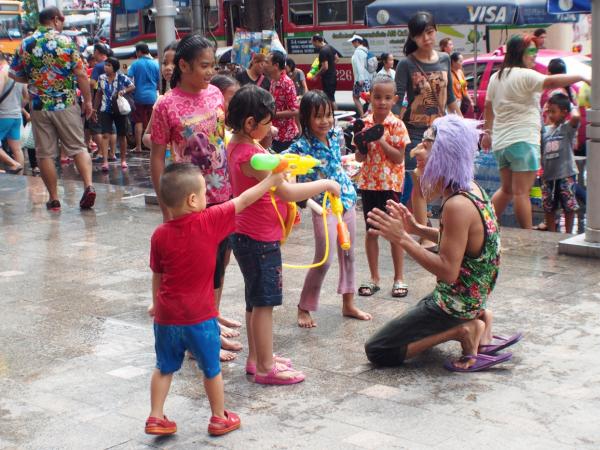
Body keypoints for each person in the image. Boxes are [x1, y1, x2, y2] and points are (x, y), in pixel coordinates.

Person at [365, 115, 520, 372]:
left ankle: (463, 330)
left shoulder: (457, 205)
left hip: (456, 303)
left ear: (444, 156)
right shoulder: (473, 189)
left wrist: (402, 238)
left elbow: (448, 271)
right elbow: (461, 242)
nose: (416, 153)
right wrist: (416, 228)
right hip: (471, 299)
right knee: (414, 320)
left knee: (379, 350)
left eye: (425, 147)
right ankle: (481, 318)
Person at [146, 162, 285, 436]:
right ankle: (219, 417)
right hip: (200, 318)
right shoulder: (208, 221)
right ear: (193, 199)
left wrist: (155, 303)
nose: (207, 199)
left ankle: (155, 416)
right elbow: (243, 200)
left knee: (163, 367)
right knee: (211, 370)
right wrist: (272, 181)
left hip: (167, 320)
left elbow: (157, 275)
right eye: (204, 193)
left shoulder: (159, 234)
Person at [226, 84, 340, 384]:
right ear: (250, 123)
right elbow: (287, 192)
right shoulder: (251, 155)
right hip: (259, 238)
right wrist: (325, 184)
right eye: (267, 122)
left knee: (255, 301)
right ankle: (265, 367)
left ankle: (257, 358)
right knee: (264, 304)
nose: (272, 128)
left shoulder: (239, 145)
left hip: (246, 234)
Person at [150, 35, 242, 361]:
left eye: (212, 65)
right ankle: (199, 338)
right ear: (184, 66)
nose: (210, 72)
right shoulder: (166, 105)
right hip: (189, 200)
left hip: (222, 192)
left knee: (218, 264)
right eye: (204, 66)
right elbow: (158, 157)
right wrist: (166, 206)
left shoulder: (216, 93)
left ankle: (209, 324)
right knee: (196, 271)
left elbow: (224, 138)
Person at [481, 34, 589, 229]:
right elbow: (551, 82)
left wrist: (488, 132)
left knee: (506, 190)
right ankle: (527, 234)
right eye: (531, 51)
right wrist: (581, 76)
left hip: (502, 144)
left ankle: (484, 226)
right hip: (523, 141)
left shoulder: (496, 77)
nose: (535, 55)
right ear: (520, 52)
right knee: (522, 192)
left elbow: (488, 107)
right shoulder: (526, 75)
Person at [285, 90, 371, 328]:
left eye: (328, 115)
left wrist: (352, 162)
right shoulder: (300, 146)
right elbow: (283, 165)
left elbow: (339, 161)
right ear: (306, 119)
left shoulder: (335, 135)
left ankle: (349, 303)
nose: (325, 121)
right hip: (323, 208)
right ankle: (304, 306)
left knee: (349, 254)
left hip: (346, 199)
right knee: (324, 259)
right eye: (318, 116)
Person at [10, 6, 96, 211]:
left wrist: (33, 80)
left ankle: (54, 198)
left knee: (45, 154)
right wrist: (88, 101)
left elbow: (14, 74)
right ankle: (88, 186)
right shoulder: (66, 42)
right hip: (65, 103)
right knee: (77, 147)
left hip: (39, 105)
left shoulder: (26, 44)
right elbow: (81, 74)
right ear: (55, 19)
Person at [395, 12, 461, 248]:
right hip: (415, 132)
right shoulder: (406, 64)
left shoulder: (444, 59)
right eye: (421, 34)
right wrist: (390, 126)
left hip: (440, 132)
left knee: (447, 181)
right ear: (413, 37)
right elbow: (397, 99)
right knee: (419, 181)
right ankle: (424, 235)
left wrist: (462, 127)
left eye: (430, 32)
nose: (427, 37)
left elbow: (451, 98)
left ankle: (445, 227)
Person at [355, 75, 410, 298]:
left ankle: (399, 278)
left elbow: (398, 158)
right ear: (369, 97)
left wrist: (381, 140)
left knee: (395, 233)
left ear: (394, 99)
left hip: (390, 185)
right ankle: (374, 277)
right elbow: (359, 158)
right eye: (377, 97)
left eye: (387, 98)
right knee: (371, 232)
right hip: (368, 184)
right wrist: (363, 145)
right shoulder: (363, 124)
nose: (382, 102)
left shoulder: (397, 125)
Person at [540, 93, 580, 234]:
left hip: (565, 175)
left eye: (554, 111)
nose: (550, 114)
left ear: (564, 112)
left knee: (568, 206)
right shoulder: (545, 131)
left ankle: (568, 233)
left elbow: (575, 117)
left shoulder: (567, 128)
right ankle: (552, 233)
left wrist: (571, 105)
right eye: (549, 111)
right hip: (548, 176)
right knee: (549, 207)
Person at [93, 57, 135, 171]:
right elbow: (98, 94)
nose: (106, 67)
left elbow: (132, 86)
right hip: (105, 110)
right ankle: (105, 161)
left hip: (119, 110)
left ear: (115, 68)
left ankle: (123, 160)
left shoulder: (121, 77)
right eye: (105, 65)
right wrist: (94, 109)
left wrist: (124, 91)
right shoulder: (101, 78)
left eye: (109, 65)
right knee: (105, 134)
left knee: (122, 135)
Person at [128, 43, 160, 153]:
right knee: (152, 122)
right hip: (152, 96)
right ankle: (150, 145)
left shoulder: (135, 64)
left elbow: (129, 79)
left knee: (138, 121)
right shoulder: (156, 64)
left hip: (139, 97)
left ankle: (138, 146)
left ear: (139, 52)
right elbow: (159, 81)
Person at [265, 51, 299, 153]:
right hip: (275, 133)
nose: (264, 65)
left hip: (286, 136)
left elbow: (295, 111)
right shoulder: (273, 81)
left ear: (275, 66)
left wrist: (273, 115)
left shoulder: (287, 83)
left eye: (267, 62)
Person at [0, 54, 26, 173]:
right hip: (16, 115)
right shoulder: (17, 72)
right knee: (17, 149)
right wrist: (19, 107)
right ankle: (19, 177)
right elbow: (27, 96)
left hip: (3, 115)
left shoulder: (2, 72)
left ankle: (13, 163)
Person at [348, 35, 372, 117]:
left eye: (353, 42)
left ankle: (363, 116)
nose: (352, 43)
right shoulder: (366, 51)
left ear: (357, 42)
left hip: (360, 79)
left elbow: (359, 66)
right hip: (368, 79)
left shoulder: (358, 52)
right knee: (368, 99)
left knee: (356, 97)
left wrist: (360, 79)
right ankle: (369, 115)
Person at [311, 34, 337, 105]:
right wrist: (332, 66)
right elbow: (337, 58)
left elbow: (325, 67)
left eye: (313, 43)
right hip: (333, 76)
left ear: (316, 41)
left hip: (328, 78)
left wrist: (316, 75)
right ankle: (332, 114)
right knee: (331, 98)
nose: (313, 45)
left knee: (330, 100)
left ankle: (332, 115)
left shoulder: (323, 51)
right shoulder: (329, 47)